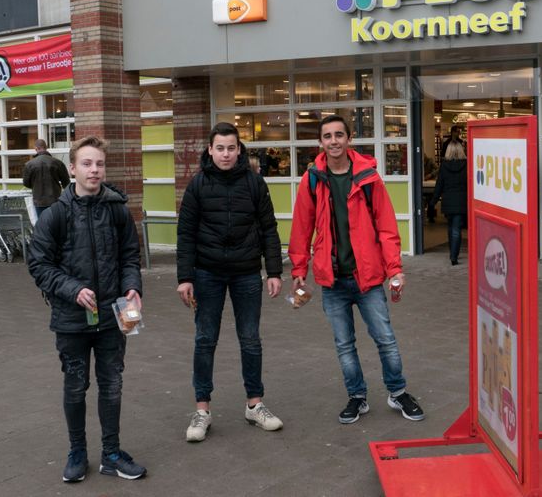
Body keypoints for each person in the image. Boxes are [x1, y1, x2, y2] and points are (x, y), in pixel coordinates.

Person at [289, 115, 425, 425]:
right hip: (332, 281)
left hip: (369, 279)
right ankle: (357, 397)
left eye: (339, 134)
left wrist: (395, 269)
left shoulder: (368, 176)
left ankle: (398, 392)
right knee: (344, 344)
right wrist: (299, 268)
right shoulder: (312, 179)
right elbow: (301, 228)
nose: (334, 140)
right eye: (328, 136)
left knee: (385, 339)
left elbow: (387, 227)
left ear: (349, 139)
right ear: (321, 142)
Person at [27, 136, 146, 483]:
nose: (94, 170)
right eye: (87, 164)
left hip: (112, 317)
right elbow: (39, 265)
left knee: (112, 386)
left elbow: (129, 257)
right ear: (73, 169)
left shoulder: (117, 209)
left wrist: (133, 288)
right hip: (71, 320)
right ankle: (77, 452)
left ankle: (111, 453)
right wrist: (73, 288)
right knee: (75, 387)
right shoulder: (56, 214)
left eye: (100, 164)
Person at [175, 122, 284, 442]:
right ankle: (202, 410)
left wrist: (274, 271)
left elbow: (269, 228)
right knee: (205, 339)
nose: (225, 153)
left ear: (239, 150)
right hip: (207, 273)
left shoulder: (254, 183)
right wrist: (185, 277)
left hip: (247, 273)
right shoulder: (197, 185)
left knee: (251, 339)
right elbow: (186, 233)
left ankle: (255, 404)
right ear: (210, 150)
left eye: (231, 148)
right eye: (219, 148)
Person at [428, 140, 467, 265]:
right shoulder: (467, 165)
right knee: (456, 229)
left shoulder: (444, 166)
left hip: (448, 201)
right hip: (461, 201)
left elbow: (439, 185)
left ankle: (452, 253)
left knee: (450, 228)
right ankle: (454, 256)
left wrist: (433, 201)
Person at [23, 139, 71, 218]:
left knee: (42, 225)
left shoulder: (29, 164)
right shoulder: (58, 163)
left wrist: (36, 185)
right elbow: (66, 182)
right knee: (56, 224)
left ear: (36, 148)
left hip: (38, 201)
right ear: (46, 147)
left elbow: (26, 183)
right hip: (55, 200)